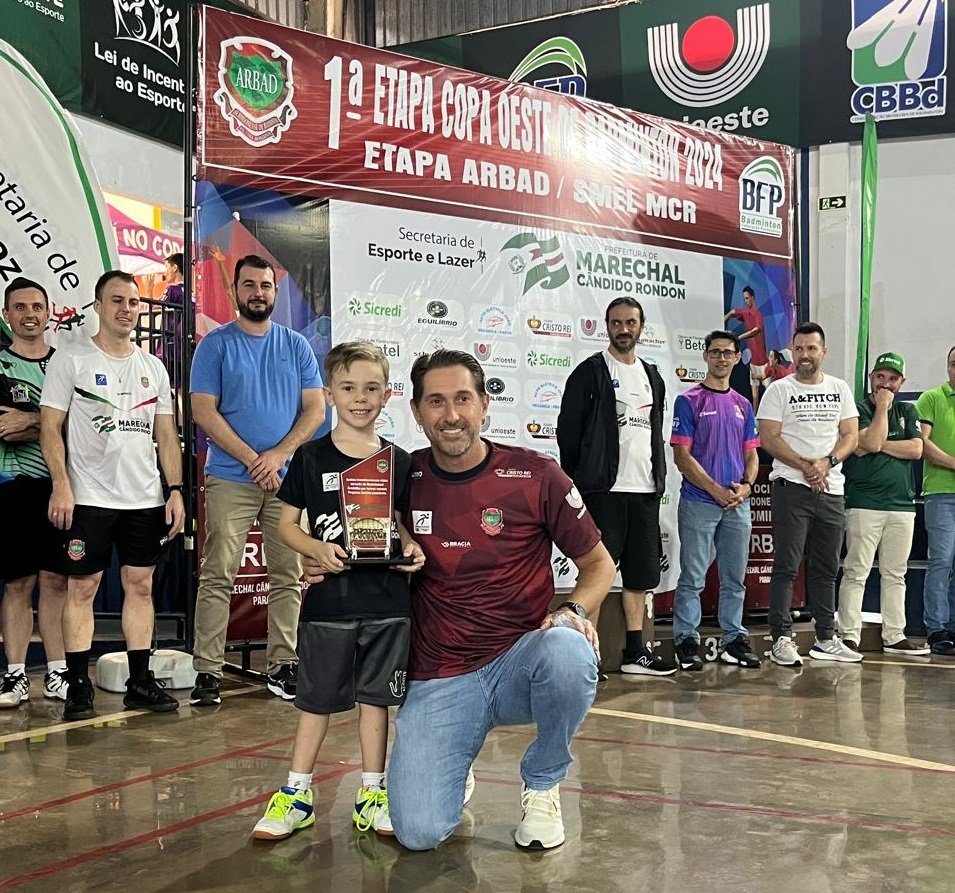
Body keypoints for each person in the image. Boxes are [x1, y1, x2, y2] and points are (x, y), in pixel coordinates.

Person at [383, 350, 615, 852]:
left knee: (568, 649)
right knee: (418, 834)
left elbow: (599, 565)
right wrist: (324, 560)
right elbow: (355, 539)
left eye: (463, 399)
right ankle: (454, 758)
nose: (451, 415)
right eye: (436, 402)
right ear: (417, 411)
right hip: (439, 674)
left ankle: (544, 782)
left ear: (485, 405)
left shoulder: (536, 474)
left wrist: (573, 611)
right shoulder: (400, 477)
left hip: (519, 664)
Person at [252, 341, 425, 841]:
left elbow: (402, 524)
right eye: (348, 388)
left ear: (387, 394)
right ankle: (296, 793)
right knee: (315, 702)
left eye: (371, 388)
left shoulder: (399, 462)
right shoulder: (310, 457)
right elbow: (285, 525)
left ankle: (373, 792)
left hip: (387, 602)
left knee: (377, 701)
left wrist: (411, 547)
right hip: (329, 604)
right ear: (329, 394)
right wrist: (314, 548)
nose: (360, 398)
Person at [40, 271, 185, 719]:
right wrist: (61, 484)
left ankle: (140, 681)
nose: (126, 309)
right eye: (117, 300)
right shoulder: (71, 358)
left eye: (133, 301)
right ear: (98, 306)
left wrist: (174, 490)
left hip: (144, 499)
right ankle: (78, 686)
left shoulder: (153, 367)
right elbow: (50, 427)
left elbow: (166, 434)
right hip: (89, 498)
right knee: (82, 587)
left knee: (140, 586)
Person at [189, 254, 324, 706]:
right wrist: (254, 460)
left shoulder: (296, 345)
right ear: (235, 291)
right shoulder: (215, 346)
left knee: (288, 575)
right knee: (218, 574)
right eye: (248, 285)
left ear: (275, 291)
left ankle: (282, 664)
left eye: (265, 286)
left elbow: (315, 410)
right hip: (231, 477)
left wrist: (280, 455)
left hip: (287, 481)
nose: (257, 293)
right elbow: (203, 410)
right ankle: (207, 671)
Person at [557, 297, 675, 676]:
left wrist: (657, 481)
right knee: (596, 572)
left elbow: (654, 433)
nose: (623, 329)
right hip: (602, 493)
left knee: (639, 576)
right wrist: (582, 479)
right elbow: (568, 434)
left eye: (630, 322)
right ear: (607, 326)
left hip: (645, 492)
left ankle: (635, 653)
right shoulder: (590, 372)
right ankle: (584, 658)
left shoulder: (652, 376)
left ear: (641, 327)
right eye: (616, 322)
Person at [756, 322, 860, 666]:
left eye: (811, 348)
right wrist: (805, 466)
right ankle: (781, 639)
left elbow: (851, 436)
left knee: (826, 569)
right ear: (792, 351)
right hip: (792, 489)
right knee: (786, 566)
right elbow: (769, 438)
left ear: (823, 352)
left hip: (832, 490)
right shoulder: (778, 390)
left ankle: (826, 638)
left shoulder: (839, 388)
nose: (804, 355)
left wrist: (827, 463)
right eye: (799, 348)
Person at [670, 330, 762, 671]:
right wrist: (714, 489)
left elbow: (751, 454)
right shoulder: (689, 400)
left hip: (737, 503)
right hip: (699, 501)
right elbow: (682, 456)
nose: (721, 358)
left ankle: (733, 639)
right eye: (715, 352)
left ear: (737, 358)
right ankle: (686, 640)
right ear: (706, 356)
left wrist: (746, 487)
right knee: (693, 577)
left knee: (734, 579)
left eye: (727, 353)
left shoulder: (743, 405)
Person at [0, 278, 69, 708]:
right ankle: (15, 676)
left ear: (49, 313)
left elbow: (82, 425)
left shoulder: (67, 364)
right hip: (14, 487)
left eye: (37, 307)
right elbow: (3, 429)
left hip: (62, 486)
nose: (30, 315)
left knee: (56, 581)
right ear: (7, 315)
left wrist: (31, 421)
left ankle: (58, 673)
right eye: (21, 307)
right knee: (18, 583)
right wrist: (51, 424)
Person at [838, 353, 928, 654]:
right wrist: (882, 409)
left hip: (902, 505)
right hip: (865, 503)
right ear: (871, 378)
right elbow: (871, 440)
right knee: (856, 571)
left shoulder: (908, 410)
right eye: (880, 377)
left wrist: (876, 446)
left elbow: (916, 449)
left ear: (902, 382)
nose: (885, 384)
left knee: (895, 574)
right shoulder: (858, 409)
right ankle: (849, 636)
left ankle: (894, 635)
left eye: (892, 379)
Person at [915, 345, 955, 656]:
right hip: (941, 492)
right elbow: (922, 444)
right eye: (954, 363)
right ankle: (938, 629)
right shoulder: (931, 398)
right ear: (947, 367)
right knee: (941, 560)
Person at [725, 285, 769, 410]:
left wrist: (739, 337)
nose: (746, 301)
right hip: (753, 363)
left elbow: (755, 331)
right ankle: (754, 417)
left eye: (748, 298)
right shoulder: (745, 313)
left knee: (769, 393)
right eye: (744, 298)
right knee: (754, 396)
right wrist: (720, 320)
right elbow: (733, 313)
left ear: (753, 298)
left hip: (763, 363)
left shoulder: (757, 315)